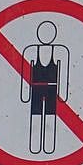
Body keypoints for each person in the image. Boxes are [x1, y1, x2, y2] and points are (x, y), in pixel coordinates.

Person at [21, 20, 70, 155]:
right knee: (35, 118)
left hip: (51, 90)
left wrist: (62, 95)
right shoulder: (30, 50)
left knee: (50, 117)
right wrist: (25, 96)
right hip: (36, 89)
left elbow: (63, 75)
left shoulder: (61, 50)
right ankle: (35, 147)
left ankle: (48, 148)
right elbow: (25, 76)